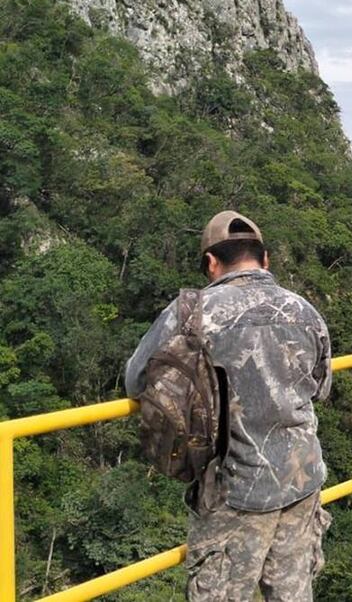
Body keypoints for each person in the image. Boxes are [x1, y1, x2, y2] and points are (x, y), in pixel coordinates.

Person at [125, 211, 333, 602]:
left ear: (211, 263)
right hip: (302, 480)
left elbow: (136, 380)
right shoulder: (305, 310)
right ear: (265, 259)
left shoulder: (193, 312)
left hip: (234, 490)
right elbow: (321, 388)